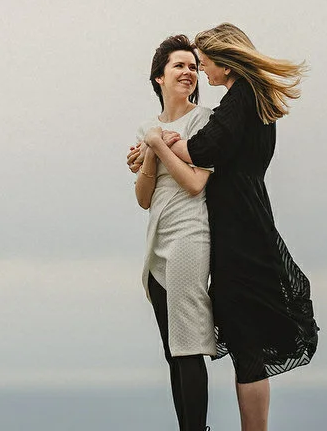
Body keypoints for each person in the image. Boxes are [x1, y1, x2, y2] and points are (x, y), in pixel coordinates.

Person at [168, 23, 318, 431]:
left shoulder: (240, 98)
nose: (203, 74)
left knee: (246, 340)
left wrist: (158, 139)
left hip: (239, 231)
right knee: (246, 341)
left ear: (224, 63)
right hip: (250, 220)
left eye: (204, 64)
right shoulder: (255, 98)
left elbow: (199, 149)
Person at [130, 34, 216, 431]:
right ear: (158, 78)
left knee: (188, 346)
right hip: (157, 237)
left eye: (194, 67)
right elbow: (144, 197)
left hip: (189, 233)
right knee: (171, 350)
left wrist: (157, 148)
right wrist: (150, 148)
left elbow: (195, 184)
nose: (189, 72)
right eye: (179, 66)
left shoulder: (203, 120)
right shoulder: (148, 127)